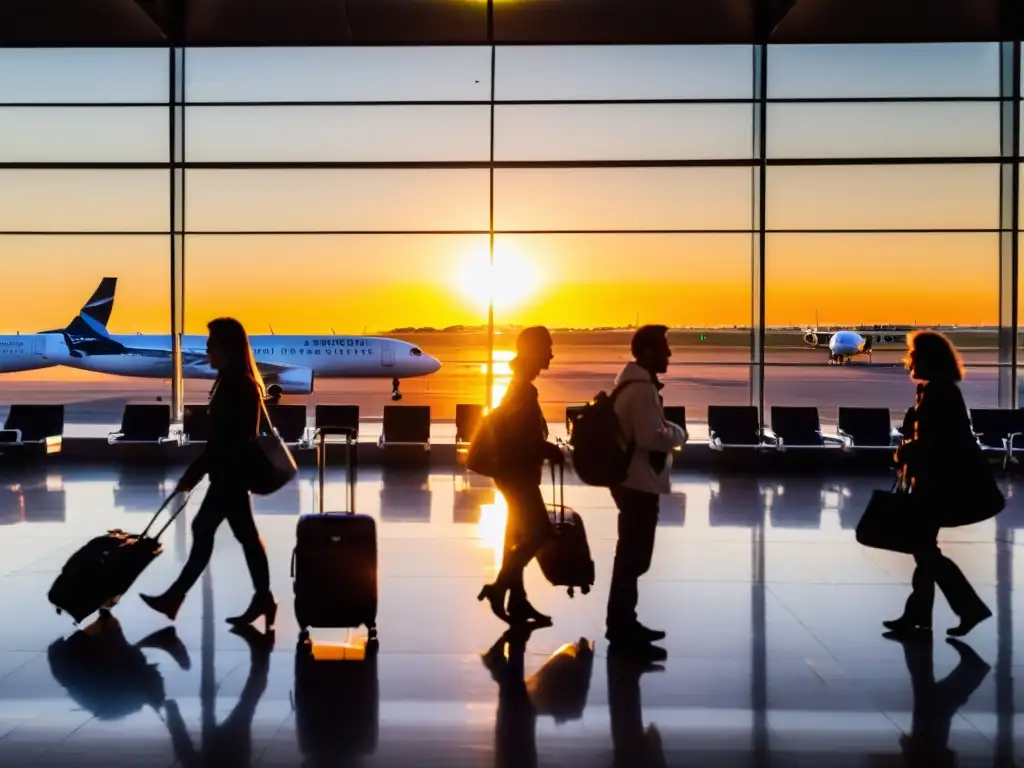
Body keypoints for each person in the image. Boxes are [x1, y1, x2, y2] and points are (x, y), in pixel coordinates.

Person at [140, 318, 277, 630]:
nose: (206, 348)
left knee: (222, 532)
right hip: (229, 473)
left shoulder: (237, 386)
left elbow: (226, 441)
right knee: (236, 534)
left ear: (226, 348)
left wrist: (193, 474)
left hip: (229, 474)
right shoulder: (234, 382)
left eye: (211, 342)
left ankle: (177, 597)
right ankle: (259, 598)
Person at [887, 330, 992, 638]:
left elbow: (942, 441)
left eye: (914, 355)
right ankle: (920, 615)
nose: (909, 360)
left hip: (938, 482)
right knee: (924, 549)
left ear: (929, 360)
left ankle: (966, 607)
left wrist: (907, 450)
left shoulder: (940, 393)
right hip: (930, 479)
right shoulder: (931, 390)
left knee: (924, 550)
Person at [606, 325, 687, 656]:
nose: (669, 354)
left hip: (633, 481)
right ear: (649, 353)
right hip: (637, 483)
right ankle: (622, 628)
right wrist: (679, 434)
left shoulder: (636, 386)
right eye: (664, 348)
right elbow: (653, 436)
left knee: (631, 555)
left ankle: (625, 622)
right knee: (632, 557)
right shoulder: (641, 390)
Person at [477, 326, 563, 625]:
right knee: (539, 532)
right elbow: (520, 436)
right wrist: (547, 449)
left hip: (514, 472)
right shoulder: (523, 389)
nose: (552, 353)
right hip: (518, 475)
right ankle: (500, 587)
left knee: (516, 535)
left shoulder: (519, 384)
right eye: (548, 346)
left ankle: (518, 600)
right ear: (533, 350)